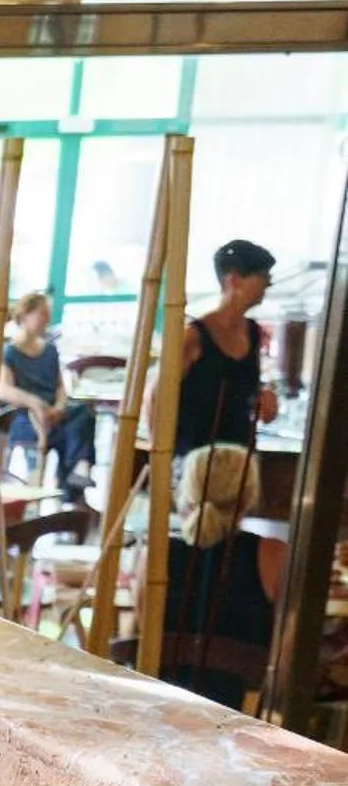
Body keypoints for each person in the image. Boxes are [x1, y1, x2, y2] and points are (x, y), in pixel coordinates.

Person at [160, 238, 287, 710]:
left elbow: (257, 398)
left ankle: (217, 660)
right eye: (261, 280)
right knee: (197, 546)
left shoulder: (255, 336)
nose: (265, 289)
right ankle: (194, 662)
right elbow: (159, 399)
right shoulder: (195, 335)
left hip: (237, 461)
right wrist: (168, 459)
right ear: (234, 280)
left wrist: (266, 401)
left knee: (229, 544)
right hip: (195, 465)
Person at [0, 291, 95, 503]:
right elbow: (4, 389)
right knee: (71, 434)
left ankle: (78, 475)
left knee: (82, 414)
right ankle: (73, 489)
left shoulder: (50, 350)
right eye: (42, 314)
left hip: (53, 412)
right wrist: (35, 403)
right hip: (26, 416)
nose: (47, 319)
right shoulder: (10, 352)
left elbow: (61, 387)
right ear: (25, 316)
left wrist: (59, 406)